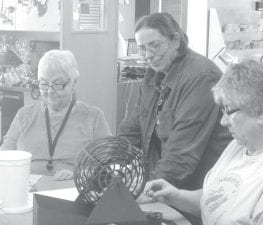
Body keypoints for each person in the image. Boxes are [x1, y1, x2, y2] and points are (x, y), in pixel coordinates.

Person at [144, 60, 263, 225]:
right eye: (222, 111)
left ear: (260, 112)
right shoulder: (238, 146)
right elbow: (219, 203)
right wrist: (177, 196)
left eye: (229, 110)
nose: (223, 122)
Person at [118, 12, 231, 191]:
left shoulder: (200, 77)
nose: (148, 55)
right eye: (142, 48)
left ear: (176, 41)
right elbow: (132, 130)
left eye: (155, 45)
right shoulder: (153, 74)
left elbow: (182, 155)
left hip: (198, 189)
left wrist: (147, 190)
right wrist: (108, 168)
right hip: (167, 181)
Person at [0, 50, 112, 180]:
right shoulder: (24, 116)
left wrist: (80, 174)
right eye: (44, 84)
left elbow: (108, 165)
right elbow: (4, 156)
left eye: (58, 84)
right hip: (26, 187)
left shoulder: (93, 118)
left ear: (73, 83)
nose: (50, 91)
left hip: (73, 188)